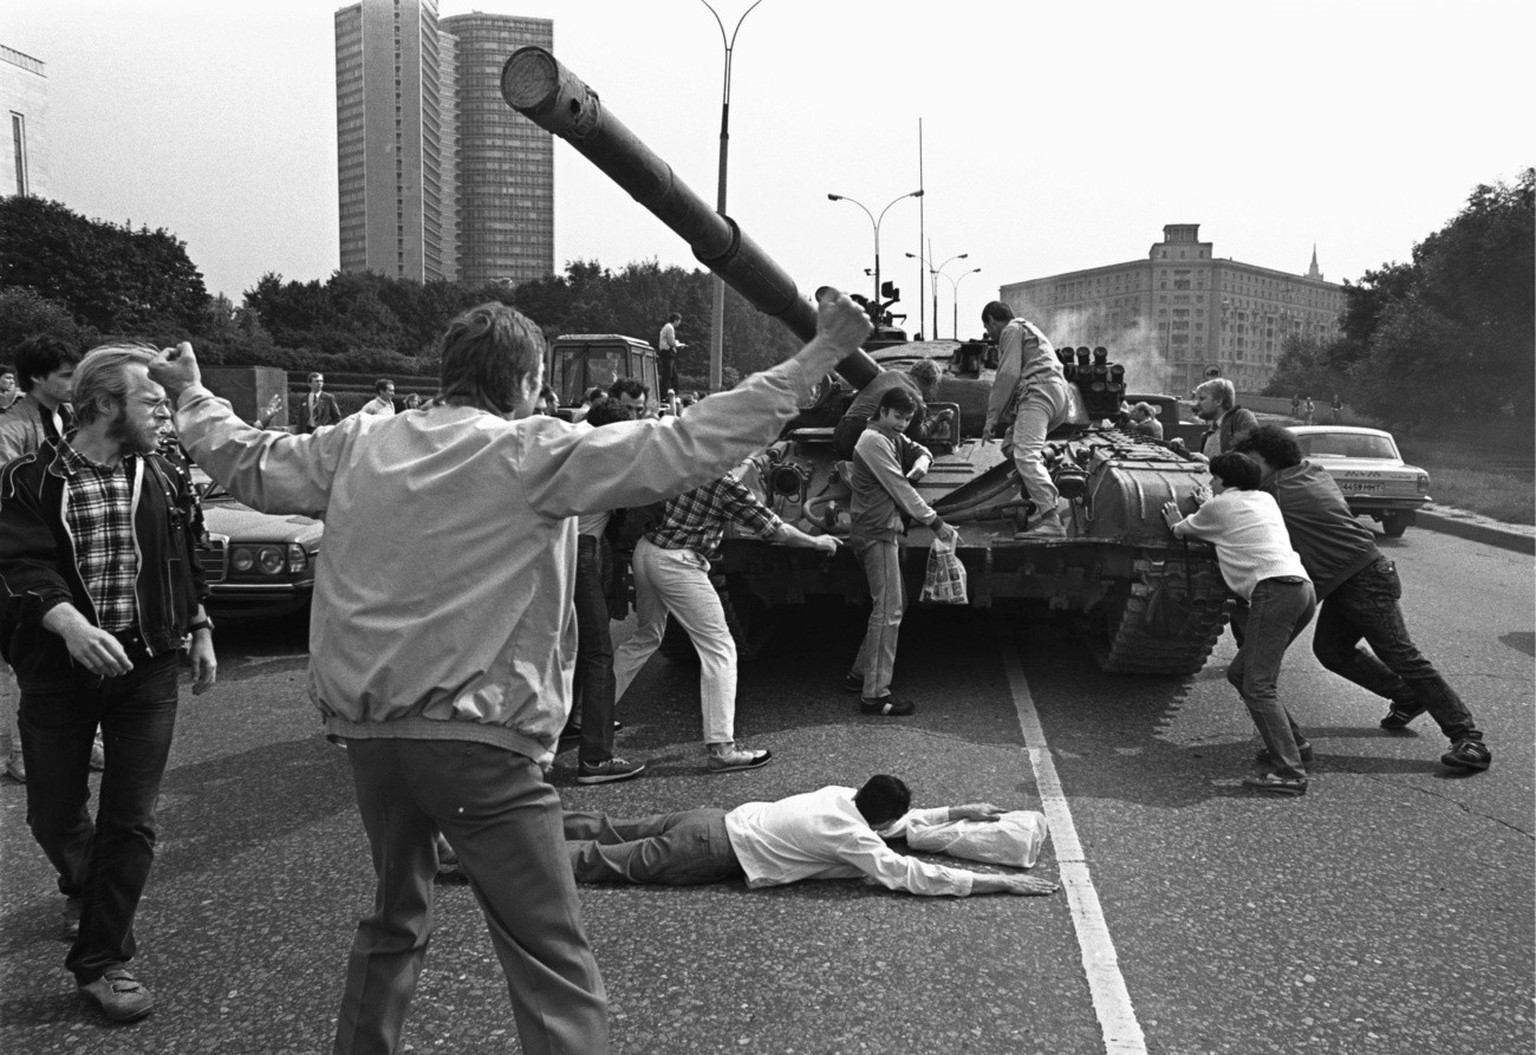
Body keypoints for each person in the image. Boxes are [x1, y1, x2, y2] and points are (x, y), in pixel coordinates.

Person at [148, 290, 875, 1055]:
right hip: (479, 746)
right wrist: (818, 354)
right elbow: (688, 442)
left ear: (450, 372)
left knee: (395, 918)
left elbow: (247, 458)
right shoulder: (532, 451)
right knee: (551, 960)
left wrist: (192, 390)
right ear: (526, 380)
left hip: (368, 736)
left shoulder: (356, 442)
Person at [0, 345, 217, 1023]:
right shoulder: (27, 480)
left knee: (133, 819)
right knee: (53, 813)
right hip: (60, 670)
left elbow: (187, 550)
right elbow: (18, 559)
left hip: (147, 667)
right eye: (150, 400)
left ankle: (102, 958)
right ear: (102, 406)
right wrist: (65, 623)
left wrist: (201, 624)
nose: (163, 411)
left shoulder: (165, 471)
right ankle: (86, 886)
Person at [1232, 425, 1491, 773]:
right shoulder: (1311, 473)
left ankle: (1469, 738)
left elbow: (1239, 502)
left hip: (1364, 577)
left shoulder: (1276, 491)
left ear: (1272, 462)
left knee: (1402, 654)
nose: (1248, 469)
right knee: (1332, 651)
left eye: (1252, 462)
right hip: (1350, 576)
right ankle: (1406, 695)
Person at [611, 459, 839, 773]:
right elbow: (775, 529)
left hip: (647, 551)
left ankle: (589, 714)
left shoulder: (679, 464)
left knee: (646, 636)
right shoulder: (723, 483)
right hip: (679, 564)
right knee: (720, 650)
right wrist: (816, 542)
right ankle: (722, 749)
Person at [563, 774, 1059, 897]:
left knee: (605, 828)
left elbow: (901, 825)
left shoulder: (842, 795)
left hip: (708, 818)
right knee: (598, 863)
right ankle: (498, 859)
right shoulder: (854, 838)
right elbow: (908, 873)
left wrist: (956, 810)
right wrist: (998, 883)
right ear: (879, 823)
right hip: (708, 849)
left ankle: (521, 817)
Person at [1163, 452, 1316, 795]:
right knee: (1241, 674)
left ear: (1224, 480)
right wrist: (1212, 504)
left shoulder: (1218, 507)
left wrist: (1178, 517)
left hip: (1273, 592)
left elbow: (1180, 531)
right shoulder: (1264, 499)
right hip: (1301, 589)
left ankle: (1290, 773)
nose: (1211, 484)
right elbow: (1231, 513)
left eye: (1214, 478)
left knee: (1258, 685)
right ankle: (1295, 745)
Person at [1, 335, 85, 786]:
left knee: (69, 656)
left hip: (65, 556)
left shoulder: (68, 418)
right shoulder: (9, 431)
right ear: (37, 378)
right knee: (24, 661)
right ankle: (19, 753)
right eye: (66, 374)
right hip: (26, 562)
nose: (75, 381)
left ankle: (82, 738)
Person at [844, 386, 956, 716]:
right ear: (881, 411)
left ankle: (860, 674)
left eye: (907, 419)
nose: (902, 424)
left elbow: (918, 448)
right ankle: (875, 695)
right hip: (876, 532)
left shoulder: (889, 436)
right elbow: (899, 487)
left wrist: (923, 459)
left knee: (895, 604)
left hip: (880, 529)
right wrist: (935, 522)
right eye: (897, 416)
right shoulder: (873, 441)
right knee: (889, 610)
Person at [566, 400, 643, 784]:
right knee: (599, 654)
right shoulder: (607, 461)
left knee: (573, 647)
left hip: (558, 551)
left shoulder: (572, 448)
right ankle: (596, 758)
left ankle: (569, 724)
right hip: (582, 553)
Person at [980, 301, 1072, 538]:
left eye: (988, 328)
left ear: (991, 320)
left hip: (1038, 394)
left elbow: (1008, 374)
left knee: (1025, 454)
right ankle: (1039, 470)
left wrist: (991, 419)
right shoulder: (1029, 329)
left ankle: (1051, 519)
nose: (989, 335)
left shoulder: (1011, 329)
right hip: (1057, 398)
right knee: (1011, 444)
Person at [832, 359, 942, 460]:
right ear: (931, 384)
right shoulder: (917, 400)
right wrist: (937, 419)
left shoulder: (890, 373)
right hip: (864, 437)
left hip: (840, 433)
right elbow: (917, 436)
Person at [1175, 377, 1258, 465]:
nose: (1197, 404)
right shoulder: (1207, 435)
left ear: (1219, 401)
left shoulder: (1241, 417)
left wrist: (1209, 463)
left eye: (1202, 399)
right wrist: (1181, 452)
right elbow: (1202, 466)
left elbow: (1247, 460)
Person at [658, 312, 684, 394]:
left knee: (673, 374)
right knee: (668, 374)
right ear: (676, 320)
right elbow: (671, 342)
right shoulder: (670, 328)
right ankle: (663, 393)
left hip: (666, 352)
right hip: (667, 352)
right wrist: (679, 345)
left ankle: (673, 392)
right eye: (679, 321)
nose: (679, 323)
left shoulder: (667, 327)